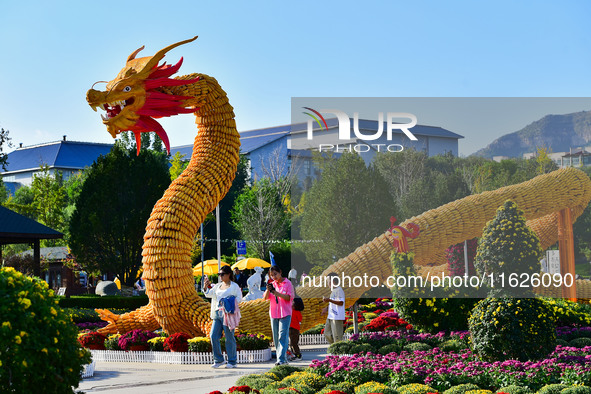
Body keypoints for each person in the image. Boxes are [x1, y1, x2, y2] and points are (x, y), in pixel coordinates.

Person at [203, 265, 242, 369]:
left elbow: (239, 298)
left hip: (228, 314)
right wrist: (205, 287)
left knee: (229, 337)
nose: (220, 276)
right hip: (217, 313)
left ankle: (232, 361)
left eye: (222, 274)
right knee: (213, 336)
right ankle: (219, 359)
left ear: (228, 274)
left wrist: (229, 302)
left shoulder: (234, 286)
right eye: (219, 274)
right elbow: (209, 294)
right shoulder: (217, 286)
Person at [264, 266, 294, 366]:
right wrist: (269, 290)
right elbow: (265, 298)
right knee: (276, 337)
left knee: (283, 335)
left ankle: (281, 359)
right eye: (272, 275)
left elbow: (289, 297)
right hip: (274, 314)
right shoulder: (271, 284)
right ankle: (281, 358)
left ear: (280, 272)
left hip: (285, 313)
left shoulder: (288, 283)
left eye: (275, 274)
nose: (274, 277)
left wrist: (277, 293)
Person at [323, 272, 345, 344]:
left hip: (337, 317)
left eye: (328, 281)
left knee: (337, 336)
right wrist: (326, 308)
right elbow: (333, 302)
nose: (327, 283)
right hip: (331, 316)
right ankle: (335, 348)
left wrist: (329, 300)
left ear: (332, 281)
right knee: (326, 333)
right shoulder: (333, 291)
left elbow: (341, 303)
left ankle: (337, 350)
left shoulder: (339, 290)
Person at [289, 296, 304, 361]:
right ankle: (295, 354)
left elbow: (300, 319)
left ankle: (298, 355)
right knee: (292, 343)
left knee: (294, 343)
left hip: (294, 329)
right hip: (291, 328)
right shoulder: (292, 310)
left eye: (292, 302)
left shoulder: (296, 312)